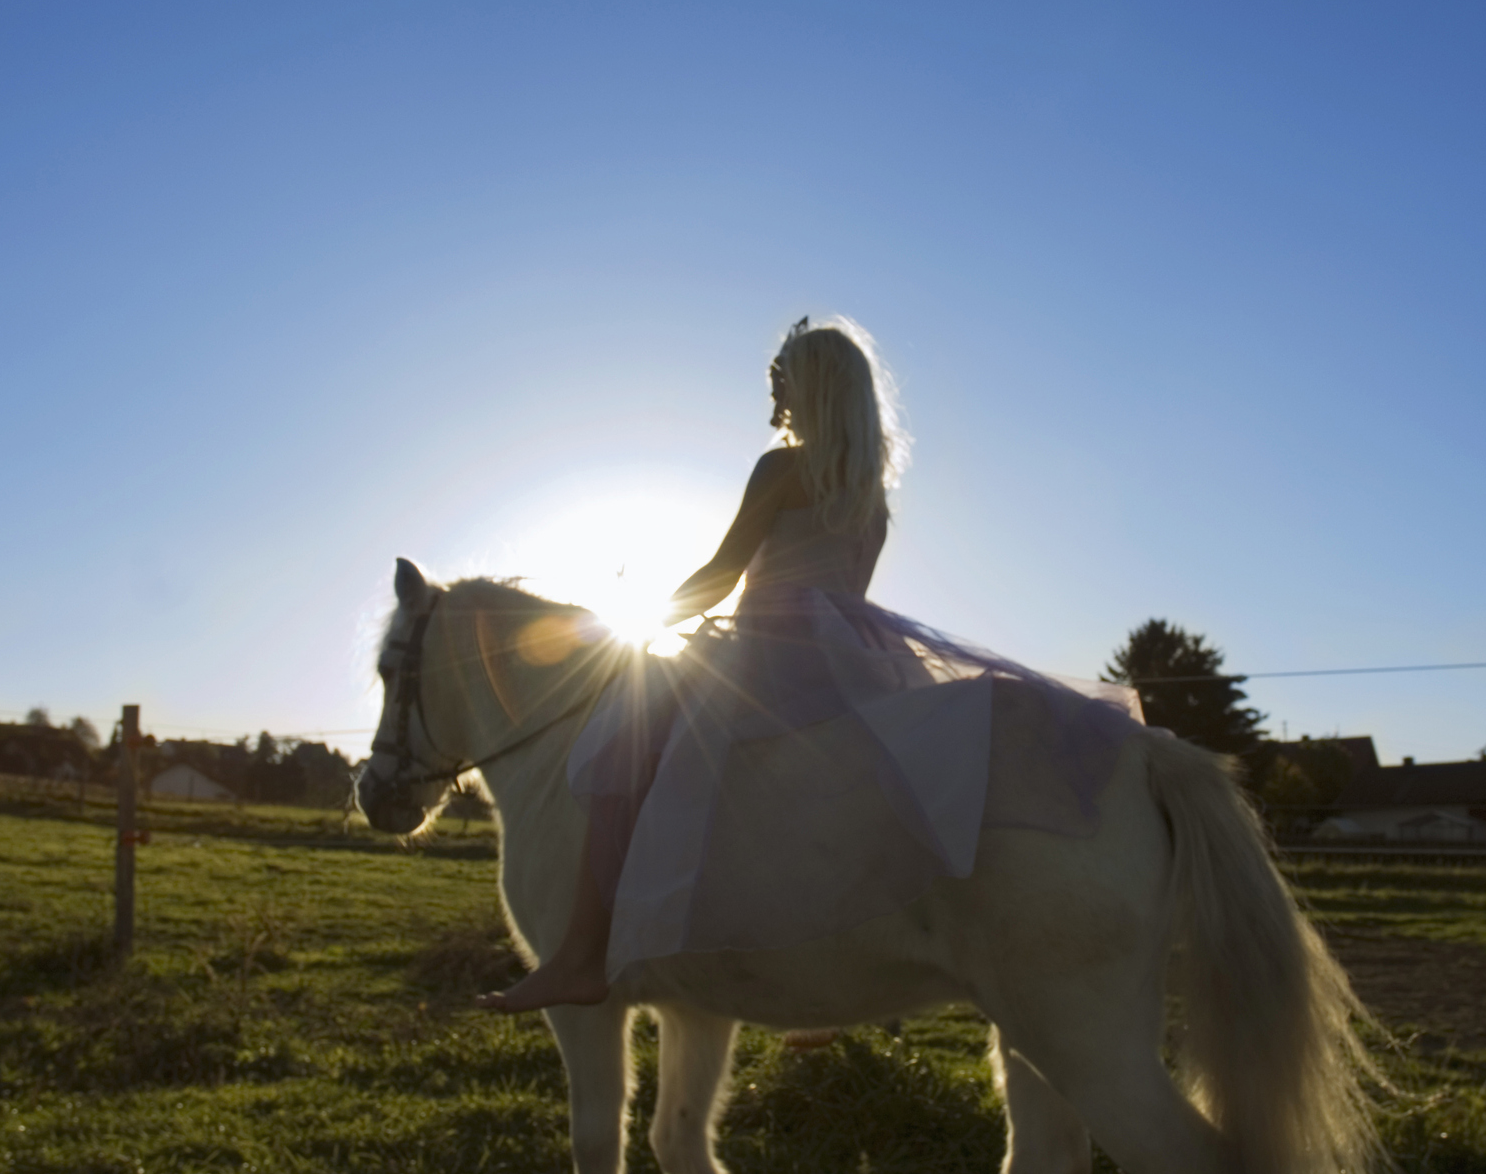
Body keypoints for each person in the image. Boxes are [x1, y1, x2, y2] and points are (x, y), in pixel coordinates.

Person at [479, 317, 1138, 1014]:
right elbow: (846, 593)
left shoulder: (780, 468)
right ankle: (822, 967)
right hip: (856, 658)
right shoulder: (870, 495)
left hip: (770, 653)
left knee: (622, 747)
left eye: (782, 386)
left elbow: (722, 574)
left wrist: (615, 628)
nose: (774, 405)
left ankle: (579, 955)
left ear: (813, 390)